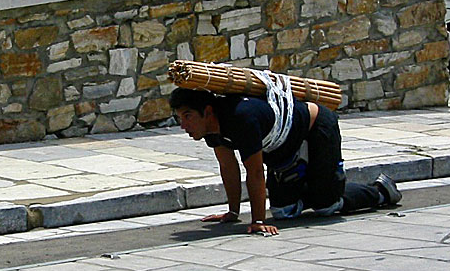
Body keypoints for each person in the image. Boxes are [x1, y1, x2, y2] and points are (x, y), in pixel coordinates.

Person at [169, 79, 402, 236]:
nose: (184, 125)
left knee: (327, 206)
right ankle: (316, 186)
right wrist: (233, 213)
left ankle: (380, 191)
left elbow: (255, 171)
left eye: (188, 116)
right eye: (180, 118)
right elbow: (229, 168)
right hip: (283, 148)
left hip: (315, 128)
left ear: (207, 112)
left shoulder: (241, 118)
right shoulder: (211, 130)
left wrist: (258, 221)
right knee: (284, 212)